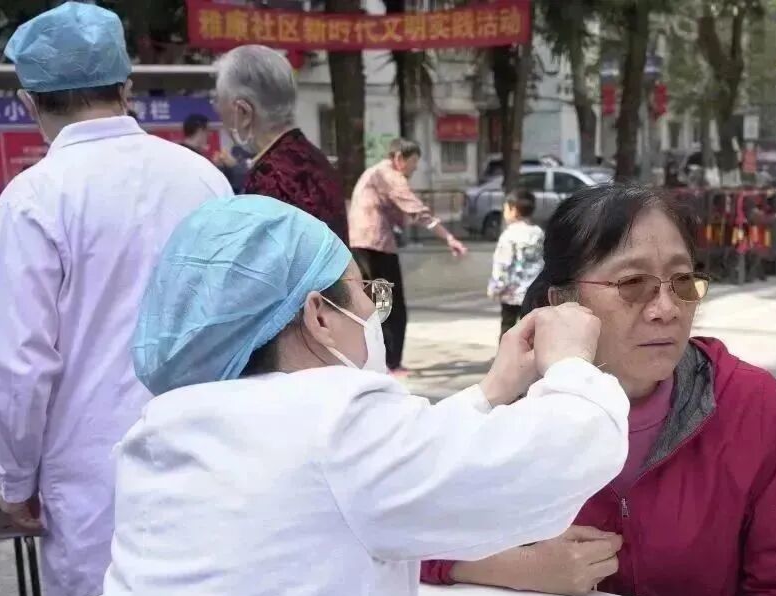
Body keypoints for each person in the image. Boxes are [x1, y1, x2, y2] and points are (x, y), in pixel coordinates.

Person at [86, 195, 629, 596]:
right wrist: (571, 364)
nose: (373, 310)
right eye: (364, 291)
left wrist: (490, 392)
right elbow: (562, 452)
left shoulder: (168, 426)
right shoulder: (334, 419)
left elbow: (386, 467)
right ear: (319, 315)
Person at [421, 184, 776, 596]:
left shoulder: (748, 403)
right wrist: (519, 566)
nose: (666, 309)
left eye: (682, 281)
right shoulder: (516, 404)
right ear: (564, 302)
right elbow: (393, 533)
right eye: (632, 284)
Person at [0, 2, 232, 596]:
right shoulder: (204, 180)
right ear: (126, 87)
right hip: (209, 459)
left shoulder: (33, 200)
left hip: (92, 483)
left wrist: (16, 480)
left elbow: (17, 365)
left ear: (30, 102)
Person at [350, 138, 469, 376]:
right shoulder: (390, 176)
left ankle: (375, 361)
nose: (415, 168)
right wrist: (448, 238)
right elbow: (418, 211)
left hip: (360, 244)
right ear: (399, 159)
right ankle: (392, 363)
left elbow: (398, 214)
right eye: (413, 162)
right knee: (391, 306)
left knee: (373, 304)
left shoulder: (374, 173)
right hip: (377, 246)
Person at [214, 44, 349, 245]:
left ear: (243, 112)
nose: (217, 110)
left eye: (218, 101)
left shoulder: (268, 178)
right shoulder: (316, 160)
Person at [488, 188, 544, 337]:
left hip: (511, 294)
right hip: (532, 292)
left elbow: (502, 264)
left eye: (506, 208)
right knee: (530, 331)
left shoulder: (508, 236)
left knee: (508, 327)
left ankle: (508, 352)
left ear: (514, 210)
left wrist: (496, 287)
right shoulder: (538, 233)